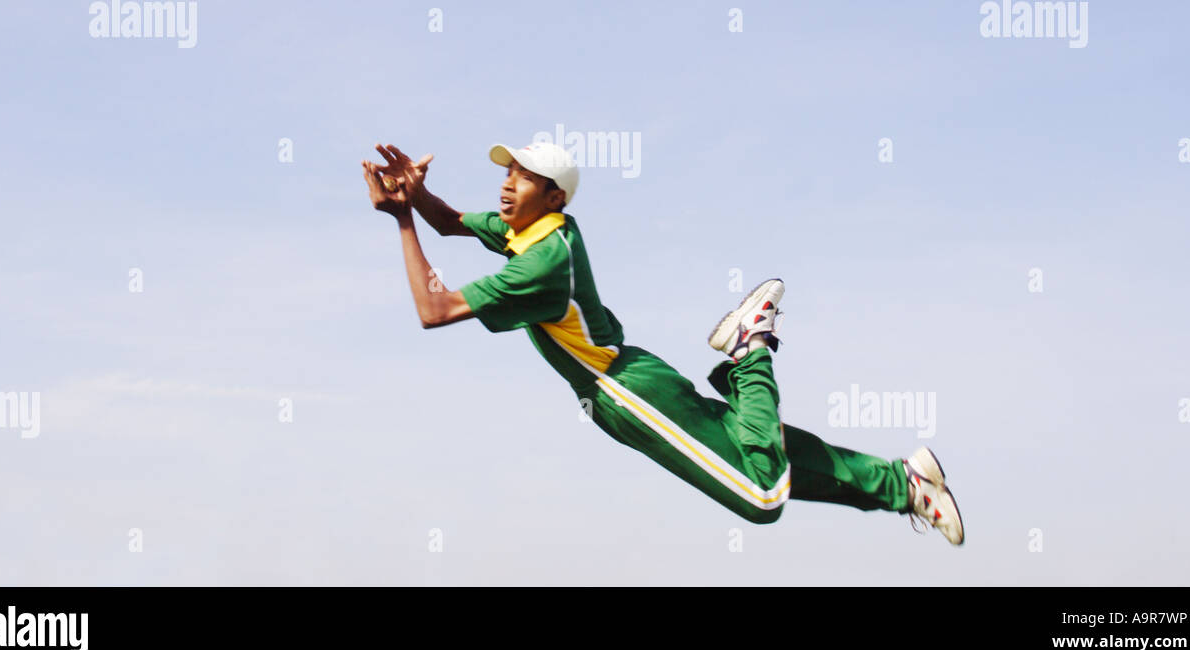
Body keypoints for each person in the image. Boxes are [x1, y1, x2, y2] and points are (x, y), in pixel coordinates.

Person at [362, 140, 964, 544]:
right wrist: (416, 196)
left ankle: (750, 349)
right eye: (507, 173)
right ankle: (904, 485)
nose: (506, 185)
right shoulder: (535, 230)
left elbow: (432, 311)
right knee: (763, 447)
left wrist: (400, 218)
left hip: (622, 393)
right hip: (635, 373)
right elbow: (452, 222)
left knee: (759, 495)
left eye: (522, 178)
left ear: (554, 197)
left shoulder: (543, 260)